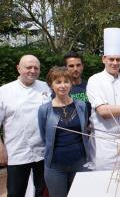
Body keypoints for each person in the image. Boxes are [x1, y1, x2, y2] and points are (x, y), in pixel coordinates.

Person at [86, 28, 120, 170]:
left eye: (118, 59)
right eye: (111, 59)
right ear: (104, 59)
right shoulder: (94, 80)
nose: (115, 63)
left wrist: (116, 109)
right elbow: (103, 112)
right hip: (104, 143)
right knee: (104, 184)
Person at [0, 55, 51, 197]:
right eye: (28, 67)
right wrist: (0, 149)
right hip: (17, 151)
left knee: (43, 192)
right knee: (16, 192)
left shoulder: (46, 87)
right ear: (18, 68)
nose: (32, 71)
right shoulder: (4, 91)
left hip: (43, 151)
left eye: (36, 68)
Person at [38, 66, 90, 197]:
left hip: (80, 163)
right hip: (55, 166)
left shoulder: (81, 105)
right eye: (58, 82)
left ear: (71, 83)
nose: (63, 86)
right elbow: (45, 137)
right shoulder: (44, 110)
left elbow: (85, 131)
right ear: (51, 85)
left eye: (66, 81)